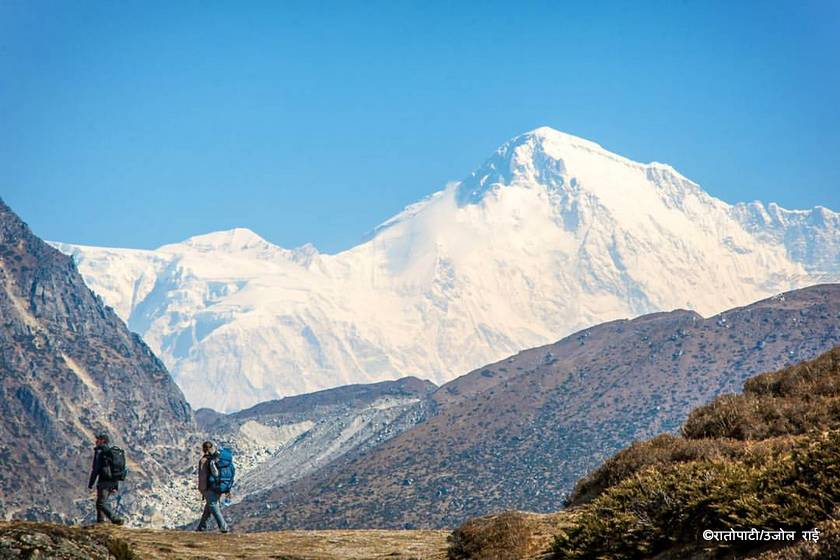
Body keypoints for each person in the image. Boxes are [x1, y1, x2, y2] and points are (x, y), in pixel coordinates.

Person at [88, 433, 124, 525]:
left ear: (103, 441)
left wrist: (91, 483)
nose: (96, 441)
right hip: (113, 481)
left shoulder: (100, 452)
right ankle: (100, 522)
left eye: (98, 439)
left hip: (104, 481)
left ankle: (116, 519)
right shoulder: (111, 453)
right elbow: (115, 469)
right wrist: (115, 486)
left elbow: (95, 469)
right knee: (99, 502)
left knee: (101, 503)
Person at [196, 441, 229, 533]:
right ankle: (201, 528)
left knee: (213, 506)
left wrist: (202, 489)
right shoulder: (217, 459)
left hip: (209, 488)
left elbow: (202, 477)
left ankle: (224, 527)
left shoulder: (204, 461)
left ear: (203, 449)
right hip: (218, 487)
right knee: (208, 509)